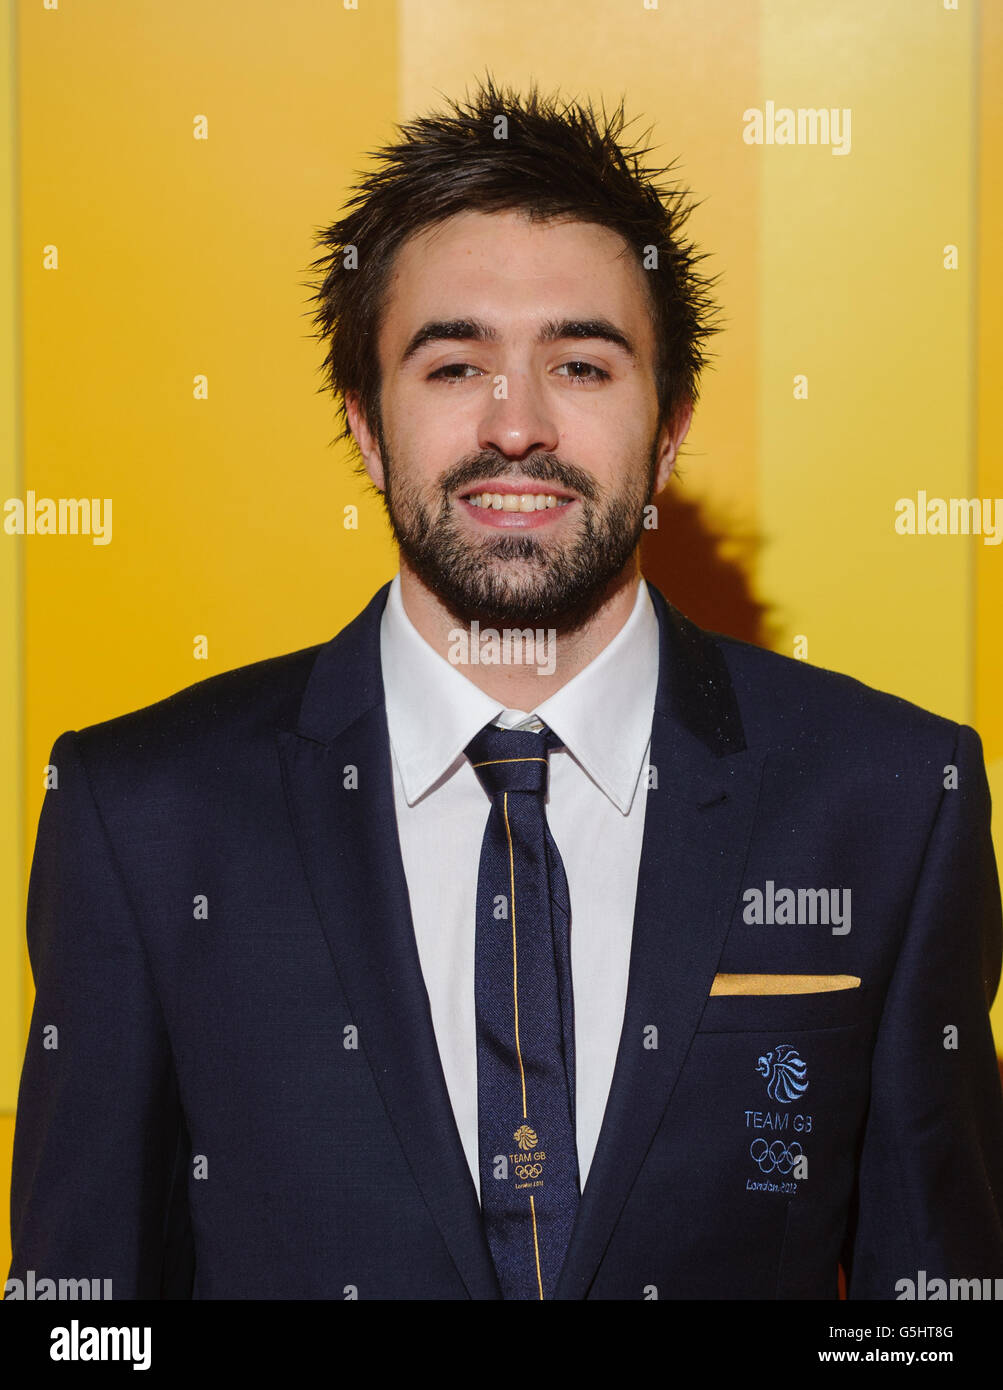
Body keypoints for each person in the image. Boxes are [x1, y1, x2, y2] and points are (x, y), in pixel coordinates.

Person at [7, 78, 1003, 1302]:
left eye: (581, 366)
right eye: (451, 366)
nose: (515, 425)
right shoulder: (144, 817)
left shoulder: (892, 799)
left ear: (671, 427)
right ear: (366, 429)